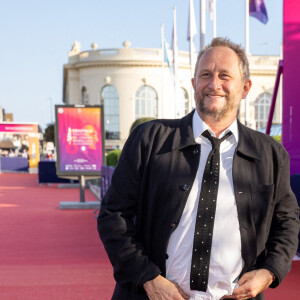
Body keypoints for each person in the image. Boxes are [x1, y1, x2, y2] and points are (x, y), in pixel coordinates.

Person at [97, 37, 299, 300]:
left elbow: (287, 222)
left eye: (225, 75)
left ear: (246, 88)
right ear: (193, 84)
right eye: (205, 75)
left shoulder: (271, 154)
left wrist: (270, 271)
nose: (214, 84)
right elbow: (113, 215)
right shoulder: (149, 140)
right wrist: (147, 278)